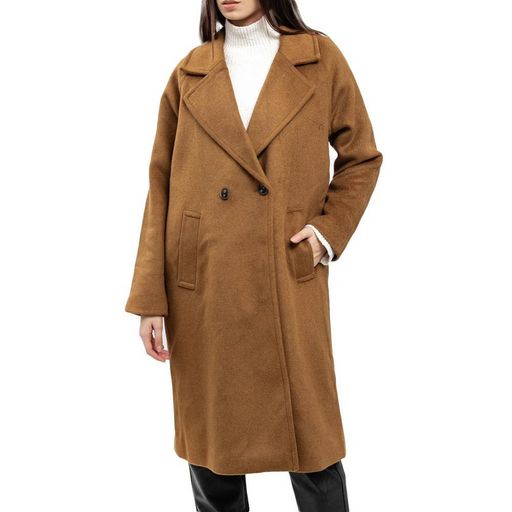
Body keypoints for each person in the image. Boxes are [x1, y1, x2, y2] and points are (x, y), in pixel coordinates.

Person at [125, 0, 383, 510]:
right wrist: (150, 296)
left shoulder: (318, 58)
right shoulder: (189, 73)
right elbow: (161, 186)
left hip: (286, 274)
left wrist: (325, 233)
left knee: (314, 451)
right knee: (213, 456)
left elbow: (361, 158)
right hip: (205, 286)